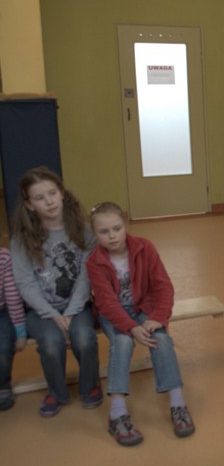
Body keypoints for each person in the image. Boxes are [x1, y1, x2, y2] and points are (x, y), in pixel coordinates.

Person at [86, 201, 195, 446]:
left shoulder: (145, 248)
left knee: (161, 339)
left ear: (125, 225)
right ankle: (117, 413)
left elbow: (163, 287)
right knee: (122, 342)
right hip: (114, 314)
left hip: (144, 309)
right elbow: (106, 303)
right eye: (104, 231)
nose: (112, 236)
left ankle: (178, 403)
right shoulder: (94, 262)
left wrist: (157, 317)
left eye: (116, 228)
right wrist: (131, 327)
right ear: (95, 234)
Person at [10, 166, 101, 417]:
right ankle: (57, 392)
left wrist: (71, 312)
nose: (49, 201)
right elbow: (25, 282)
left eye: (52, 193)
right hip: (40, 310)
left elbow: (86, 276)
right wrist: (51, 314)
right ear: (30, 205)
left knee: (84, 338)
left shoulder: (83, 230)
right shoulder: (22, 239)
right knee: (51, 343)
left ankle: (90, 387)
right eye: (40, 198)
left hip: (77, 306)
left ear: (62, 193)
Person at [0, 244, 26, 411]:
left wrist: (20, 331)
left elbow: (12, 296)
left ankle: (2, 385)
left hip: (2, 313)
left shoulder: (3, 257)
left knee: (3, 347)